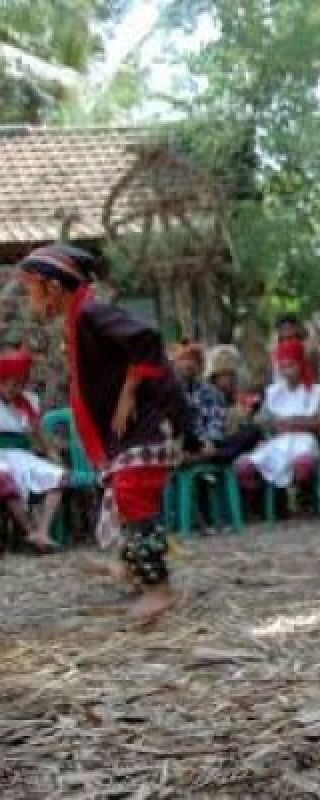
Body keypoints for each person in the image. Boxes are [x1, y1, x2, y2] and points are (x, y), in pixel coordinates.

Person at [17, 244, 186, 624]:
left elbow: (146, 340)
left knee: (132, 494)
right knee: (127, 495)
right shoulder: (80, 317)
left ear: (52, 287)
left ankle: (159, 589)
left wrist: (128, 394)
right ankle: (133, 571)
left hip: (149, 421)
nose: (28, 298)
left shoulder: (91, 313)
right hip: (137, 427)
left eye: (31, 289)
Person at [235, 339, 320, 497]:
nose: (287, 371)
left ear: (301, 364)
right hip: (278, 442)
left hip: (306, 442)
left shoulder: (318, 392)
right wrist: (273, 424)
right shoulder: (273, 393)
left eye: (291, 366)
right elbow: (261, 420)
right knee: (244, 466)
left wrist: (295, 422)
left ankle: (305, 497)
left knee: (303, 464)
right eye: (283, 367)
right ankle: (268, 500)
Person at [0, 348, 68, 552]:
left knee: (59, 476)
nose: (17, 388)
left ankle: (43, 531)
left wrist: (53, 454)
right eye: (12, 384)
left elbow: (39, 434)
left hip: (20, 455)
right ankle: (29, 531)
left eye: (21, 383)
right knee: (5, 478)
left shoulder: (28, 401)